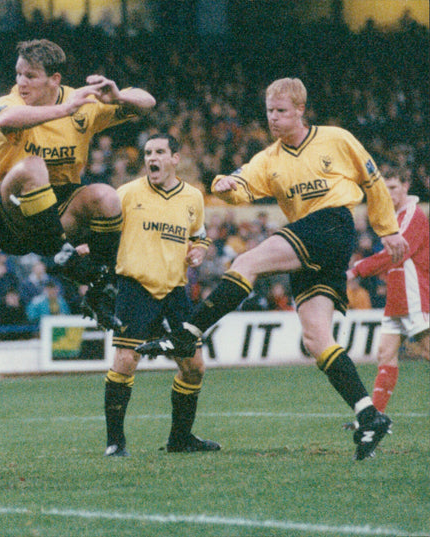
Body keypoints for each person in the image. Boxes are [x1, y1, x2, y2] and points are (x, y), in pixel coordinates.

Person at [136, 78, 409, 461]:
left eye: (281, 111)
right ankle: (369, 414)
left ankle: (189, 332)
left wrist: (388, 231)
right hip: (313, 241)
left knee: (246, 262)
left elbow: (373, 182)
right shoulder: (269, 159)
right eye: (269, 112)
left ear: (300, 110)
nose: (274, 119)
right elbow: (242, 186)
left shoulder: (337, 139)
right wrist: (224, 183)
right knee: (317, 339)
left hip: (332, 223)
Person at [0, 38, 155, 331]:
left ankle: (100, 287)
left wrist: (118, 96)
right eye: (18, 74)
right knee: (34, 165)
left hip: (54, 214)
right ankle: (65, 255)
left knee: (107, 196)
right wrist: (64, 110)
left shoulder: (82, 104)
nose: (21, 82)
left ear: (54, 79)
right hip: (4, 212)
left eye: (30, 76)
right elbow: (6, 119)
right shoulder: (12, 102)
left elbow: (148, 104)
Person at [104, 134, 219, 457]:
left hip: (174, 290)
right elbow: (103, 231)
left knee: (194, 366)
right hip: (135, 287)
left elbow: (200, 236)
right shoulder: (126, 194)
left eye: (159, 152)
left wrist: (198, 251)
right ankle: (115, 442)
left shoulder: (193, 197)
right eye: (147, 153)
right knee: (126, 360)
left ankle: (180, 439)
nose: (151, 158)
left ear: (174, 159)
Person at [347, 169, 429, 413]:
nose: (388, 193)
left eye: (393, 187)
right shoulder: (394, 217)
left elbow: (397, 253)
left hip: (414, 295)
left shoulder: (413, 214)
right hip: (397, 297)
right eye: (384, 188)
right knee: (385, 355)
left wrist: (356, 270)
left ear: (406, 185)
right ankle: (376, 420)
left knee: (427, 351)